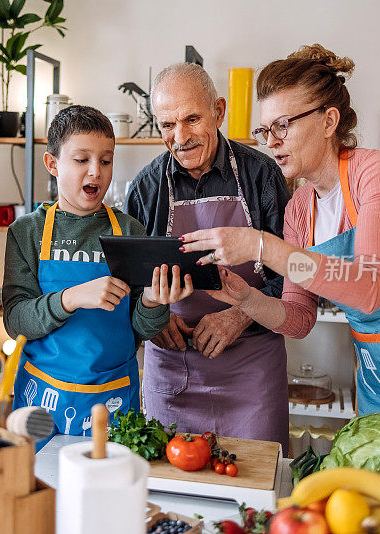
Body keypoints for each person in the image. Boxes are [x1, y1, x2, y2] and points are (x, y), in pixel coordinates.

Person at [180, 44, 380, 482]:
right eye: (264, 131)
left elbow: (370, 288)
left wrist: (262, 245)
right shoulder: (300, 209)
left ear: (329, 120)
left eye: (282, 125)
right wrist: (248, 300)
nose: (271, 141)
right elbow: (299, 318)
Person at [125, 63, 292, 449]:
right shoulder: (147, 187)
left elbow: (297, 274)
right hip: (172, 368)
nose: (179, 137)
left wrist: (240, 314)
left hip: (251, 367)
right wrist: (153, 317)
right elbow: (128, 281)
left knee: (255, 491)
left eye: (192, 119)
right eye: (167, 125)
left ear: (219, 111)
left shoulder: (262, 177)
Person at [2, 105, 192, 439]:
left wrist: (152, 301)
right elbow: (16, 320)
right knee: (39, 488)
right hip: (43, 396)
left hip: (113, 396)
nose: (96, 172)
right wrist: (71, 298)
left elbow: (143, 329)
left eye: (106, 161)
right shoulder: (27, 232)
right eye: (81, 160)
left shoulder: (130, 230)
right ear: (52, 165)